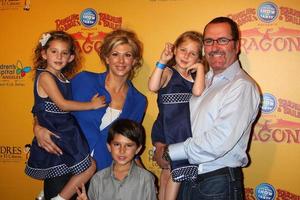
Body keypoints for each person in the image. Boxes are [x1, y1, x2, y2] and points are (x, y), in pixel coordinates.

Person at [155, 17, 261, 200]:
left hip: (215, 182)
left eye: (223, 40)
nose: (215, 47)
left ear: (236, 46)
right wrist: (160, 144)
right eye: (209, 41)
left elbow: (218, 141)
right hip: (188, 176)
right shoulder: (202, 80)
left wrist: (170, 152)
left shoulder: (241, 86)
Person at [33, 29, 147, 198]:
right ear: (107, 58)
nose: (121, 61)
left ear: (135, 60)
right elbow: (48, 106)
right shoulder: (84, 80)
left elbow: (130, 142)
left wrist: (145, 177)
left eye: (128, 55)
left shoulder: (139, 101)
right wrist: (37, 127)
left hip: (103, 177)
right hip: (65, 163)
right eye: (115, 54)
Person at [25, 31, 106, 200]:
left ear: (70, 57)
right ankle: (56, 197)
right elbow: (62, 104)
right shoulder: (46, 76)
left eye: (64, 53)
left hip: (65, 130)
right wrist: (91, 105)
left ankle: (53, 195)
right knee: (89, 167)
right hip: (58, 132)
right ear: (44, 54)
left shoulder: (63, 78)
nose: (59, 56)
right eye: (54, 51)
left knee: (86, 167)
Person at [149, 31, 205, 200]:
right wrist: (162, 62)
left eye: (193, 53)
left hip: (183, 131)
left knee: (174, 172)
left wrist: (201, 69)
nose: (186, 56)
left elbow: (198, 91)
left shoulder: (196, 77)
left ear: (199, 58)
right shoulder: (168, 72)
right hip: (167, 128)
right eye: (183, 50)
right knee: (168, 171)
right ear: (174, 50)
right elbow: (153, 86)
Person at [76, 119, 157, 200]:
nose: (122, 150)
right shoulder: (98, 179)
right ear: (109, 146)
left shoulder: (146, 179)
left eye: (128, 145)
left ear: (138, 149)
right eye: (117, 144)